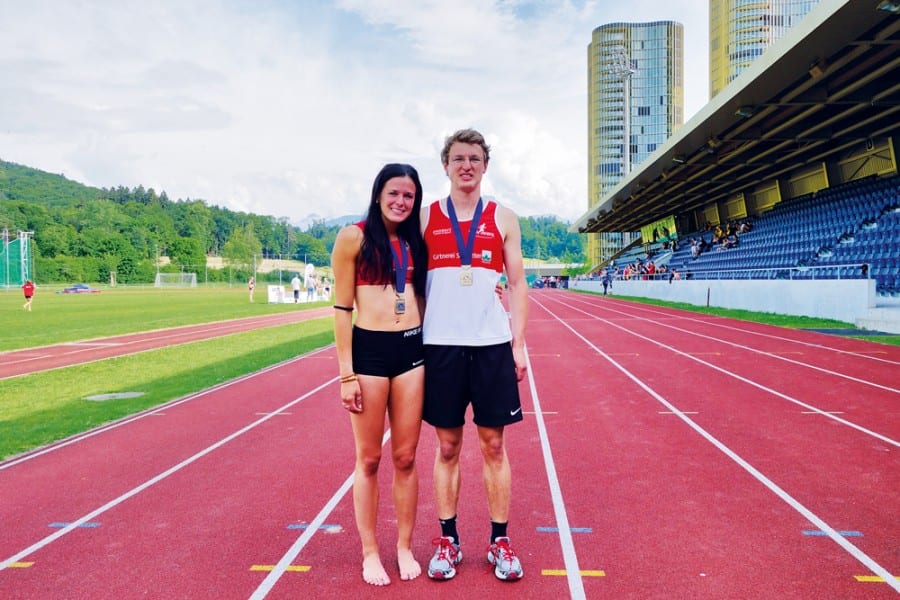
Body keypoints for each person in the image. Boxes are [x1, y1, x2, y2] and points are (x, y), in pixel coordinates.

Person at [421, 128, 528, 582]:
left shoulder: (504, 218)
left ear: (486, 166)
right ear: (445, 165)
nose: (467, 165)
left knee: (494, 444)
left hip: (491, 347)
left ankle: (499, 541)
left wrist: (517, 344)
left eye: (475, 158)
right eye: (459, 158)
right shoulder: (425, 218)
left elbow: (519, 283)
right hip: (440, 346)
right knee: (447, 446)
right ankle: (449, 540)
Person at [331, 163, 428, 586]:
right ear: (378, 194)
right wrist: (345, 374)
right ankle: (370, 551)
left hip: (412, 349)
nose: (401, 201)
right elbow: (341, 308)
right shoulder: (354, 237)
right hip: (369, 353)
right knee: (369, 458)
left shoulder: (417, 241)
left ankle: (404, 545)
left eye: (408, 195)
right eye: (394, 193)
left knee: (405, 458)